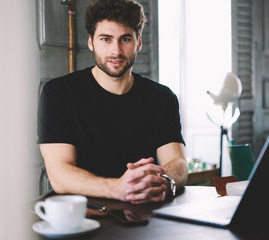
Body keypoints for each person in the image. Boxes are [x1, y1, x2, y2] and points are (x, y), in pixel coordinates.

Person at [37, 0, 187, 204]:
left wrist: (163, 182)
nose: (116, 51)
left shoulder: (163, 98)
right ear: (91, 42)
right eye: (106, 39)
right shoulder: (58, 93)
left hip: (143, 211)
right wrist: (116, 188)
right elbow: (59, 175)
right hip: (81, 215)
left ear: (139, 43)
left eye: (125, 39)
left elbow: (177, 162)